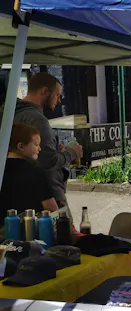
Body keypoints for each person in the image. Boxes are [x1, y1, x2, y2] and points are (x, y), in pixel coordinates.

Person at [4, 73, 83, 215]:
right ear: (45, 91)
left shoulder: (10, 113)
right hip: (47, 197)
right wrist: (72, 153)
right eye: (57, 95)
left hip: (16, 197)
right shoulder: (37, 119)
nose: (59, 100)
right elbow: (47, 160)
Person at [0, 123, 58, 221]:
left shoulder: (2, 169)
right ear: (21, 146)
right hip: (29, 227)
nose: (39, 149)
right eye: (36, 144)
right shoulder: (35, 172)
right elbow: (52, 209)